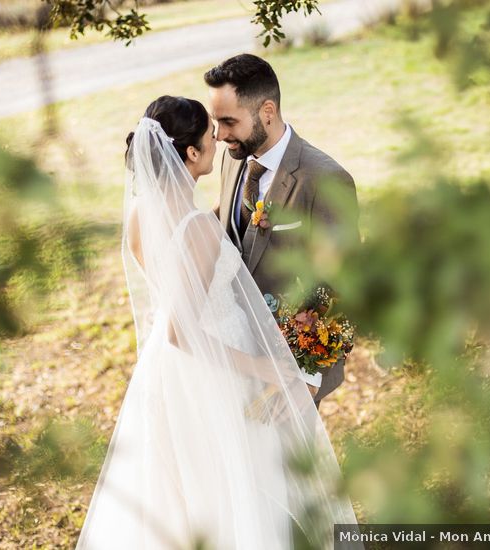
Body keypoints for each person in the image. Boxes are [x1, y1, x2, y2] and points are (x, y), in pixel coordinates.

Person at [75, 95, 359, 549]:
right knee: (247, 490)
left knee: (196, 495)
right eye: (210, 135)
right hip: (222, 370)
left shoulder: (138, 215)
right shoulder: (198, 228)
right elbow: (181, 329)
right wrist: (264, 367)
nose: (219, 139)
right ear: (191, 153)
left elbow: (174, 299)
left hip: (170, 376)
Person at [206, 54, 361, 408]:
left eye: (228, 121)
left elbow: (344, 283)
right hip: (240, 358)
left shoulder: (324, 179)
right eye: (216, 122)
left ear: (267, 111)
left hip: (292, 369)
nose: (219, 135)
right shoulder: (234, 160)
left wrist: (308, 377)